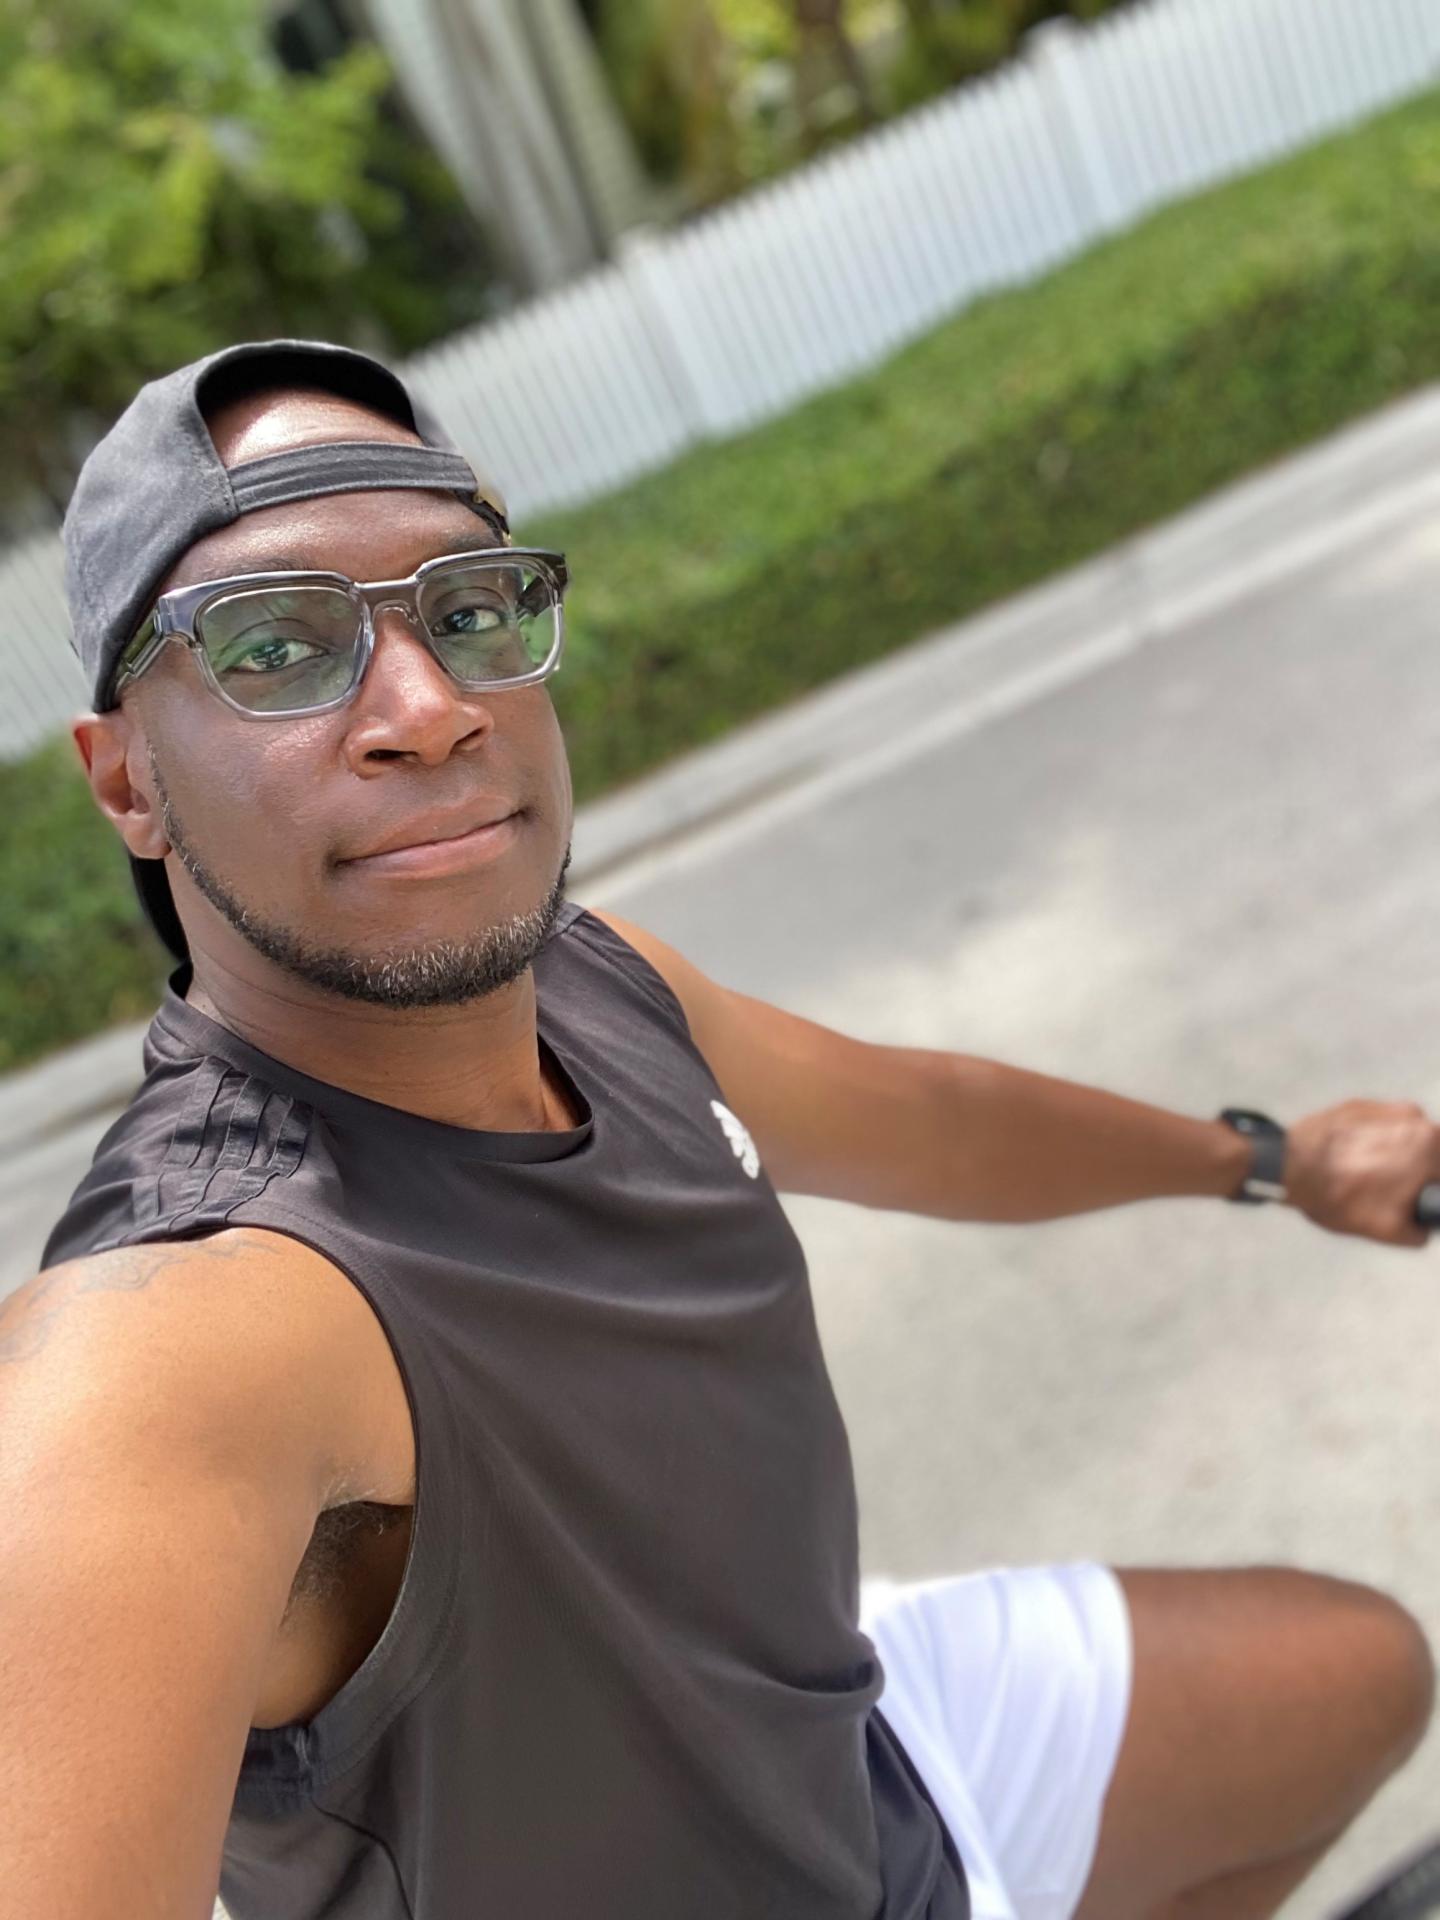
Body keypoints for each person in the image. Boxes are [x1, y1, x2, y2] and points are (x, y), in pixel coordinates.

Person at [2, 338, 1435, 1920]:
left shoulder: (599, 985)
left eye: (469, 611)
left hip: (843, 1754)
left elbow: (930, 1121)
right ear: (125, 778)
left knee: (1357, 1676)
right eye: (275, 645)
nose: (428, 709)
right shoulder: (170, 1340)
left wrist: (1277, 1158)